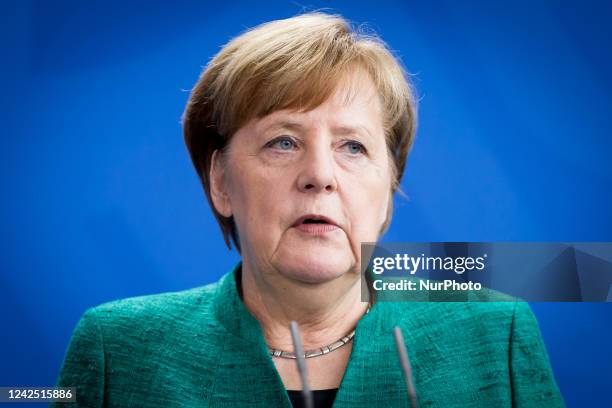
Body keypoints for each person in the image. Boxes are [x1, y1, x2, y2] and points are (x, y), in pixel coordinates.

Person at [52, 12, 565, 407]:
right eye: (282, 142)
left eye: (353, 147)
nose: (320, 175)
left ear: (389, 189)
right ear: (221, 182)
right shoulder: (115, 349)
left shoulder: (497, 328)